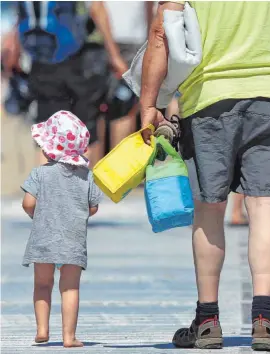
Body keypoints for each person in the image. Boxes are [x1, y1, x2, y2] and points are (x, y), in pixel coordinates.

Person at [140, 1, 270, 351]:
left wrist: (148, 104)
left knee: (210, 207)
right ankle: (264, 320)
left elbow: (161, 32)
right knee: (264, 205)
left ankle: (207, 320)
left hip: (208, 101)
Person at [2, 1, 128, 167]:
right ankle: (85, 189)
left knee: (48, 137)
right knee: (86, 132)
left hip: (41, 62)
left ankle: (47, 190)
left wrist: (15, 53)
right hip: (78, 62)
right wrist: (114, 55)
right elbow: (97, 8)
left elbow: (19, 18)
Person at [21, 110, 103, 347]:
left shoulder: (39, 174)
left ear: (48, 148)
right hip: (73, 239)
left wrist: (38, 216)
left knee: (42, 285)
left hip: (43, 238)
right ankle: (69, 337)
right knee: (69, 288)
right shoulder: (87, 177)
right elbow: (93, 208)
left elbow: (28, 203)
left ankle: (42, 329)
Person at [101, 1, 155, 149]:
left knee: (118, 109)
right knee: (123, 110)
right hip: (127, 40)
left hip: (111, 39)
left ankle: (113, 166)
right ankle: (120, 167)